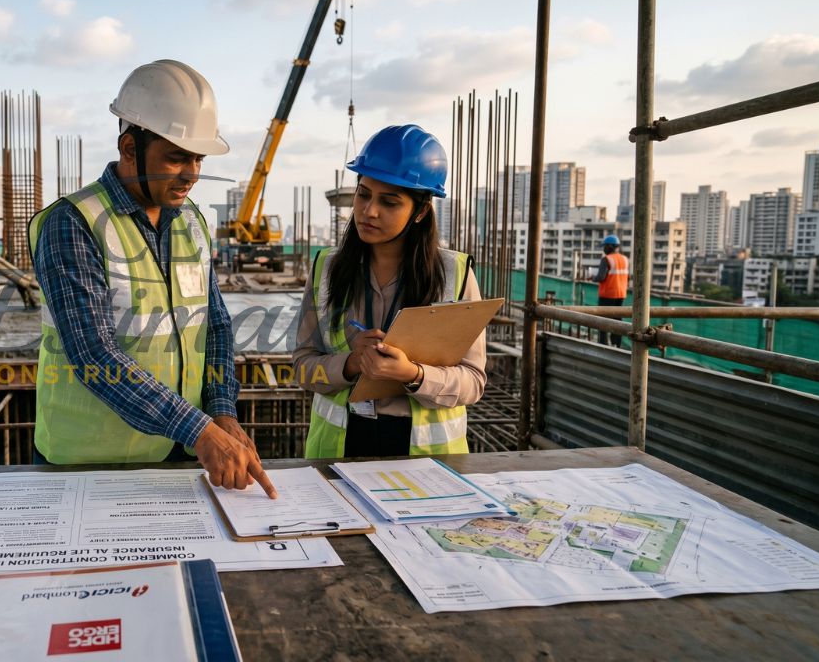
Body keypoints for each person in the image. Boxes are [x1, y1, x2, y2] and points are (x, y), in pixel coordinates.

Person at [29, 59, 275, 497]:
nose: (192, 173)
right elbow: (93, 353)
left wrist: (221, 411)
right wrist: (200, 430)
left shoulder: (191, 221)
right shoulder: (73, 223)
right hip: (86, 468)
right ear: (129, 148)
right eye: (177, 158)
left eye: (198, 158)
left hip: (179, 457)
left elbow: (215, 326)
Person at [293, 124, 486, 459]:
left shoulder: (454, 275)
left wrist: (414, 375)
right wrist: (351, 363)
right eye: (363, 194)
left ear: (420, 211)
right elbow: (302, 367)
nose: (369, 211)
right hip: (339, 449)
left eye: (389, 202)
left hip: (426, 461)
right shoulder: (327, 269)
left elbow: (473, 382)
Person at [592, 234, 630, 347]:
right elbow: (627, 277)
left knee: (603, 320)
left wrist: (592, 278)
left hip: (607, 294)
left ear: (609, 246)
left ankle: (603, 345)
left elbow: (601, 277)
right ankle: (616, 344)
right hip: (621, 294)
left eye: (605, 246)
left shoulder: (606, 259)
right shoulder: (625, 259)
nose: (604, 249)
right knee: (617, 320)